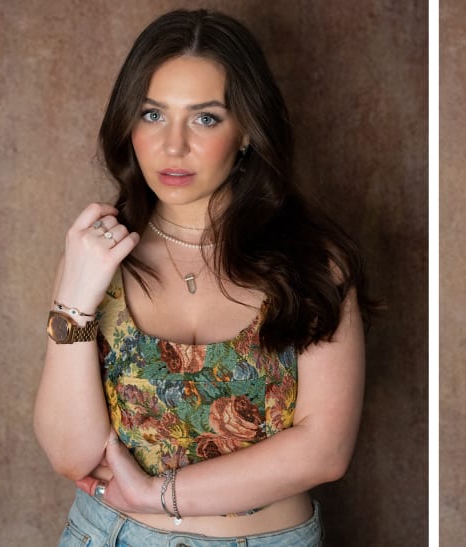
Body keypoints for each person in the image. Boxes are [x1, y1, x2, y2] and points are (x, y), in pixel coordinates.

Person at [34, 9, 369, 546]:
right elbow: (71, 455)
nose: (173, 145)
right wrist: (74, 299)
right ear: (128, 124)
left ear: (246, 134)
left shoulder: (313, 262)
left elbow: (325, 450)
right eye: (152, 114)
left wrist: (157, 494)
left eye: (205, 118)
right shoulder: (97, 254)